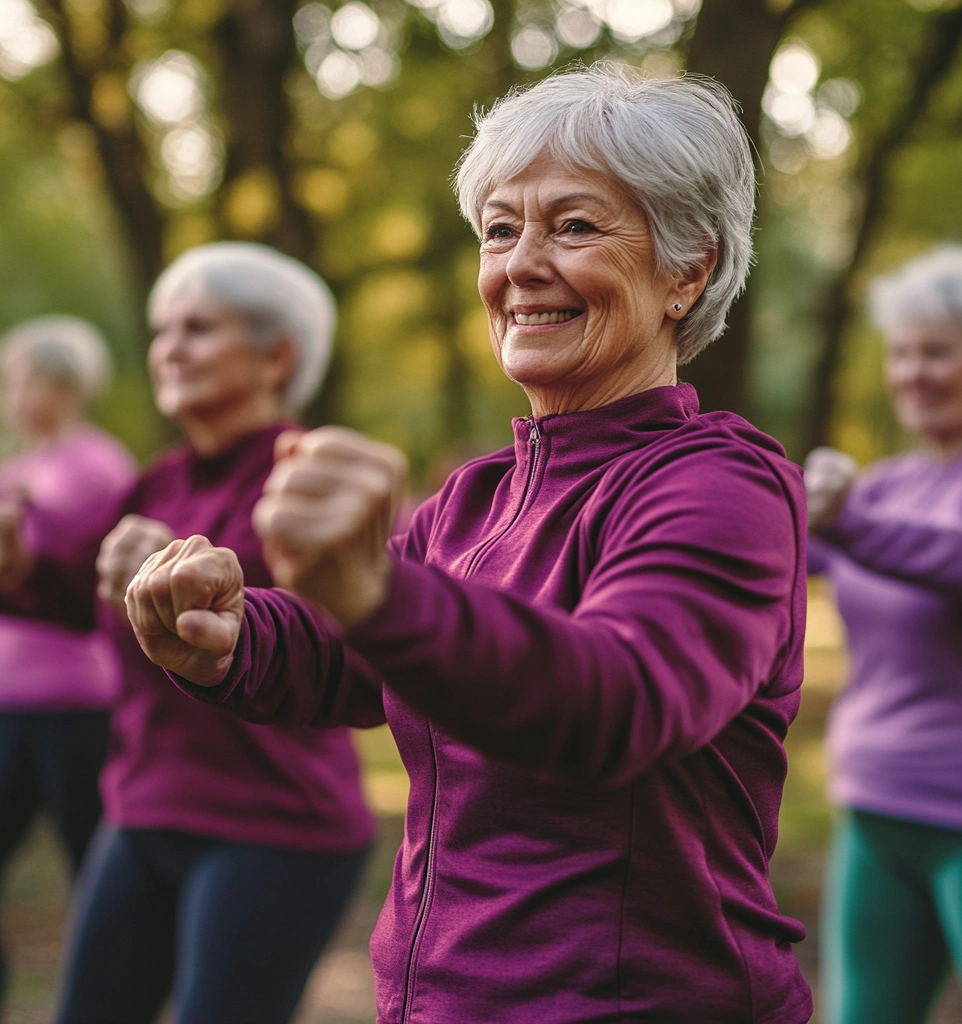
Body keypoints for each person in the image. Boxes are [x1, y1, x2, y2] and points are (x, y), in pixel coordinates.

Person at [128, 68, 812, 1023]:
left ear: (686, 270)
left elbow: (618, 699)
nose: (521, 264)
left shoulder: (722, 483)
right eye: (500, 229)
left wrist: (375, 591)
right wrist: (227, 633)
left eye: (573, 226)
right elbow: (353, 654)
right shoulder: (478, 496)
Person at [0, 245, 375, 1024]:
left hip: (273, 824)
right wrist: (16, 565)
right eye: (162, 329)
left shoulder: (308, 479)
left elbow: (339, 636)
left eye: (198, 329)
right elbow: (82, 594)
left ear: (277, 354)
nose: (168, 347)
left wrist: (193, 582)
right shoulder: (160, 479)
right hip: (141, 812)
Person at [804, 244, 962, 1024]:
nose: (913, 373)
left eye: (938, 351)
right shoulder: (887, 484)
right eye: (901, 353)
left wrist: (844, 515)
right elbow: (768, 559)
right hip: (876, 801)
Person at [0, 317, 135, 1005]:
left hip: (76, 701)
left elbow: (84, 573)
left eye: (25, 378)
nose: (12, 394)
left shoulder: (97, 464)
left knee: (93, 860)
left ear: (67, 385)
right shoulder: (13, 467)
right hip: (7, 702)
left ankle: (108, 995)